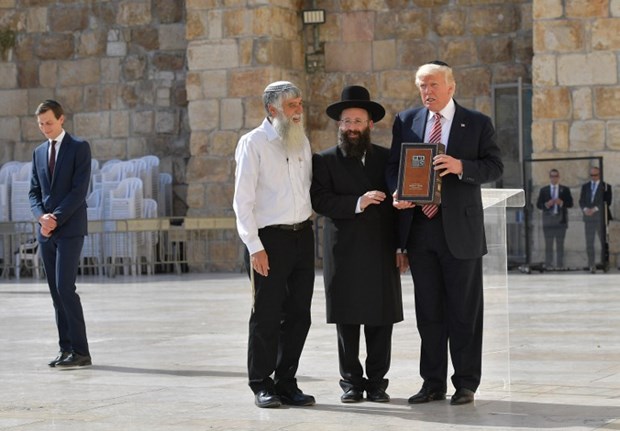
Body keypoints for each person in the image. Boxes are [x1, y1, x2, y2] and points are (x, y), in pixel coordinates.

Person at [386, 61, 503, 406]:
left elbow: (495, 166)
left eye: (433, 84)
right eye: (422, 85)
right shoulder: (406, 121)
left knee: (464, 311)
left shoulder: (477, 122)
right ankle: (432, 383)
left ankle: (465, 383)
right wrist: (397, 191)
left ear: (451, 87)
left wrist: (460, 166)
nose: (427, 91)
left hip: (460, 232)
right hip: (420, 230)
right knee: (429, 312)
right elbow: (394, 166)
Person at [311, 86, 407, 404]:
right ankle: (351, 383)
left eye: (358, 121)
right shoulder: (324, 160)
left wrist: (401, 247)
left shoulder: (387, 158)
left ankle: (377, 383)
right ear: (339, 125)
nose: (351, 127)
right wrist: (358, 202)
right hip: (344, 252)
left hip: (381, 250)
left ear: (370, 125)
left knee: (381, 320)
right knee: (347, 321)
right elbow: (320, 201)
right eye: (346, 121)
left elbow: (398, 206)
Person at [232, 81, 316, 409]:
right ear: (272, 109)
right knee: (266, 315)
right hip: (269, 241)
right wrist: (254, 246)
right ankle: (261, 383)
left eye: (300, 104)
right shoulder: (253, 143)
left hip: (302, 236)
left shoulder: (301, 140)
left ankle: (286, 381)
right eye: (292, 105)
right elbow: (242, 201)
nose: (298, 110)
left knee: (299, 314)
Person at [28, 100, 92, 368]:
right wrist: (41, 217)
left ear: (61, 119)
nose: (45, 128)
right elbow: (34, 192)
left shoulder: (79, 147)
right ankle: (65, 349)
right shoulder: (38, 153)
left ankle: (81, 351)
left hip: (70, 228)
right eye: (41, 124)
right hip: (46, 231)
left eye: (49, 123)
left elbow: (79, 190)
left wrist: (55, 217)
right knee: (56, 291)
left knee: (66, 287)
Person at [535, 169, 574, 269]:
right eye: (552, 176)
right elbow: (538, 204)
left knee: (560, 244)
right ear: (549, 177)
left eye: (556, 176)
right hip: (548, 220)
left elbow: (570, 203)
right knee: (548, 244)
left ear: (558, 177)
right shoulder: (544, 190)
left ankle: (560, 264)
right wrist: (546, 204)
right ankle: (548, 264)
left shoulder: (564, 189)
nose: (554, 178)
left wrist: (561, 203)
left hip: (560, 220)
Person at [579, 166, 612, 273]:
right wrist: (585, 209)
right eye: (591, 175)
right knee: (589, 242)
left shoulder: (606, 186)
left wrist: (595, 209)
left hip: (601, 218)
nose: (593, 177)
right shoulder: (585, 186)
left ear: (600, 174)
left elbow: (608, 201)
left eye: (595, 175)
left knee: (603, 242)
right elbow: (581, 200)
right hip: (589, 218)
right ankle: (591, 264)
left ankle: (604, 263)